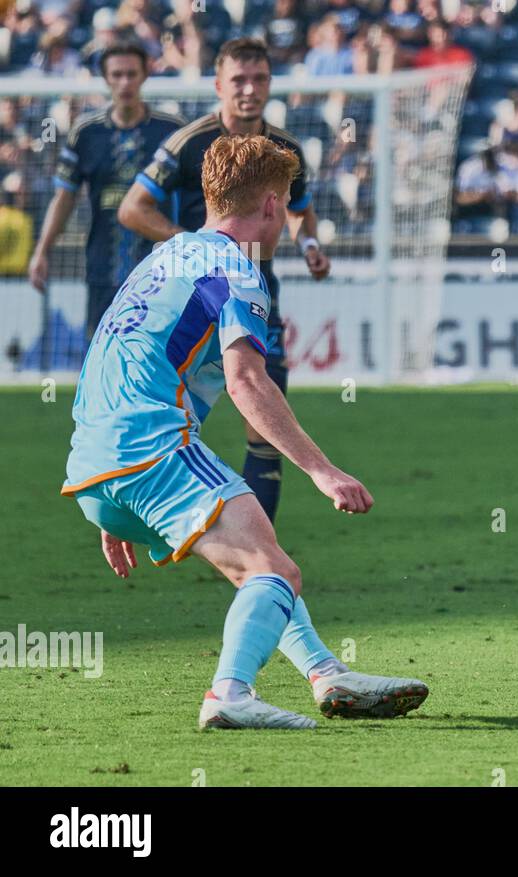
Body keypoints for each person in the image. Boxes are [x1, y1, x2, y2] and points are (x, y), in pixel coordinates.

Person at [62, 134, 427, 729]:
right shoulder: (237, 269)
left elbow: (106, 355)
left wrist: (111, 492)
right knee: (275, 573)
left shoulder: (163, 258)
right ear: (272, 207)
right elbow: (247, 382)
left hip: (95, 462)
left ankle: (327, 675)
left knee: (258, 563)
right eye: (283, 202)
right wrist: (322, 470)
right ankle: (228, 694)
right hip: (150, 449)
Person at [118, 37, 331, 525]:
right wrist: (197, 246)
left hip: (254, 300)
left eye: (259, 79)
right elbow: (132, 208)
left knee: (266, 428)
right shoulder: (190, 143)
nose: (249, 90)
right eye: (239, 80)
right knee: (167, 423)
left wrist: (311, 246)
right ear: (219, 85)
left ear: (270, 84)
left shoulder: (284, 152)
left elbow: (300, 213)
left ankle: (260, 549)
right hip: (188, 304)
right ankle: (143, 518)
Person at [28, 42, 184, 339]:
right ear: (105, 78)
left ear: (144, 76)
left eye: (131, 74)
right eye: (117, 75)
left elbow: (195, 195)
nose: (124, 82)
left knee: (158, 356)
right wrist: (42, 251)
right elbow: (65, 198)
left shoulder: (172, 131)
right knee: (100, 351)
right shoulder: (86, 133)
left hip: (163, 269)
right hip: (102, 266)